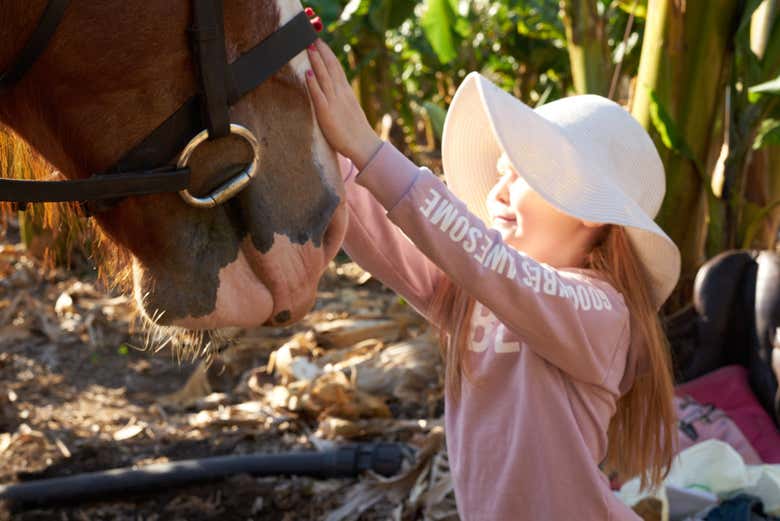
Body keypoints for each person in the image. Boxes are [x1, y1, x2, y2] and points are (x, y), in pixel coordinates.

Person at [304, 38, 681, 520]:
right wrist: (325, 135)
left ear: (592, 209)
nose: (498, 191)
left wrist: (370, 149)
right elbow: (377, 226)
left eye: (521, 176)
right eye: (500, 173)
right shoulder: (475, 291)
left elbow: (493, 267)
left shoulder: (602, 313)